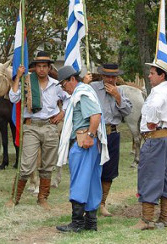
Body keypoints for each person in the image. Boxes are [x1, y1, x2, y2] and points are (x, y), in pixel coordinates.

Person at [6, 51, 69, 210]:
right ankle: (15, 198)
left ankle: (42, 198)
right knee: (26, 165)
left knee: (48, 165)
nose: (41, 69)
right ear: (34, 68)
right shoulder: (27, 82)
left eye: (44, 66)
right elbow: (13, 98)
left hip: (50, 127)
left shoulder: (56, 85)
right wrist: (17, 78)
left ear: (49, 68)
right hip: (31, 127)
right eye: (38, 66)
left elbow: (70, 98)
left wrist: (62, 113)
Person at [133, 60, 167, 230]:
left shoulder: (159, 92)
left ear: (161, 75)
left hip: (157, 138)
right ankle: (165, 219)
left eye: (152, 73)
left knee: (150, 175)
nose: (149, 76)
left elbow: (155, 107)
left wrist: (152, 121)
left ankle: (147, 220)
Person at [55, 65, 108, 232]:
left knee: (79, 181)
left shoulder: (82, 93)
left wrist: (90, 136)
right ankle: (91, 223)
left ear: (72, 79)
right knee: (92, 182)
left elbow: (95, 116)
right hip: (89, 144)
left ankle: (77, 223)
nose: (64, 89)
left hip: (83, 142)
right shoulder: (84, 91)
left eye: (64, 85)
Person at [88, 64, 132, 217]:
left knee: (109, 170)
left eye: (113, 77)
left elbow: (127, 111)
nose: (110, 79)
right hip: (95, 133)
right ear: (102, 76)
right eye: (107, 76)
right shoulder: (92, 87)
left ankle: (102, 203)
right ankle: (89, 203)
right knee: (92, 169)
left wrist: (117, 97)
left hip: (112, 133)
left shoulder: (120, 90)